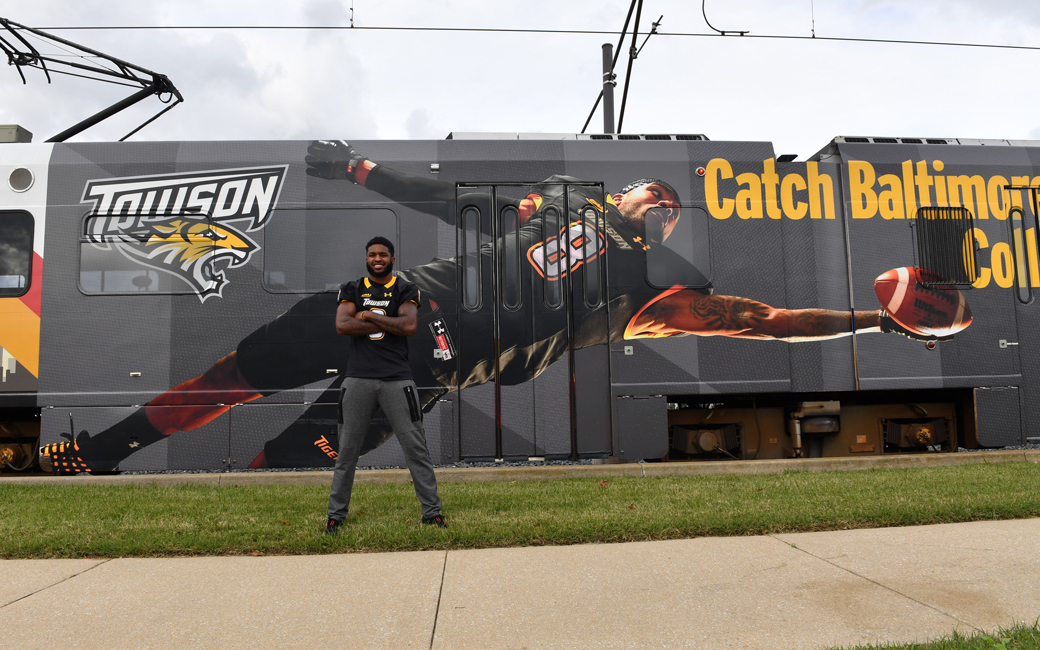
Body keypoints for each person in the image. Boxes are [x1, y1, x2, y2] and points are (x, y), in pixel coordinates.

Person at [39, 140, 926, 476]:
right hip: (394, 305)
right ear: (621, 198)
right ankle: (99, 454)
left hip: (430, 362)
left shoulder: (646, 292)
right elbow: (445, 199)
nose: (660, 204)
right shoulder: (554, 202)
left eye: (669, 207)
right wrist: (361, 172)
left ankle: (246, 527)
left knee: (296, 462)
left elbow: (757, 321)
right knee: (231, 373)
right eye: (652, 194)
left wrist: (871, 319)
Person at [324, 236, 445, 534]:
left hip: (398, 379)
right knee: (347, 451)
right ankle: (335, 517)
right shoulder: (352, 288)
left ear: (392, 258)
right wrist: (385, 319)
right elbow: (342, 325)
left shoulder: (406, 288)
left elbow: (409, 326)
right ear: (366, 259)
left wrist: (364, 315)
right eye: (372, 255)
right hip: (357, 380)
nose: (377, 259)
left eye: (383, 255)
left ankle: (432, 514)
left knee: (416, 448)